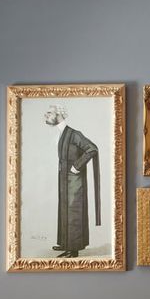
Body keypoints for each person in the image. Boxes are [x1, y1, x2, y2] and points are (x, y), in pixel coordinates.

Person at [44, 105, 100, 257]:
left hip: (75, 180)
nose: (46, 115)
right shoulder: (62, 133)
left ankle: (73, 250)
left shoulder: (74, 134)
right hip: (64, 179)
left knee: (73, 211)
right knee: (64, 209)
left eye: (49, 112)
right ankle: (65, 243)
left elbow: (92, 149)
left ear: (59, 114)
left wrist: (77, 166)